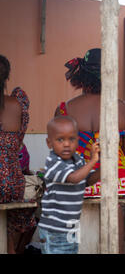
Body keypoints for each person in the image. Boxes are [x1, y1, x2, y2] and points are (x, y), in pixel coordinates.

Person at [56, 48, 125, 252]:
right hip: (117, 180)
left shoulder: (66, 108)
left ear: (81, 75)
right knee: (115, 204)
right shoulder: (122, 108)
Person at [39, 116, 100, 254]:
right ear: (49, 143)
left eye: (71, 139)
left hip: (71, 227)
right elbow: (74, 178)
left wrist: (103, 166)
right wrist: (92, 161)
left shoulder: (77, 160)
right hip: (55, 230)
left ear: (78, 141)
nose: (67, 144)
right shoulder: (53, 162)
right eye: (60, 139)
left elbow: (88, 180)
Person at [0, 55, 37, 254]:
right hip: (13, 184)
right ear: (6, 78)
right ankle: (11, 247)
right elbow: (18, 143)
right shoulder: (18, 104)